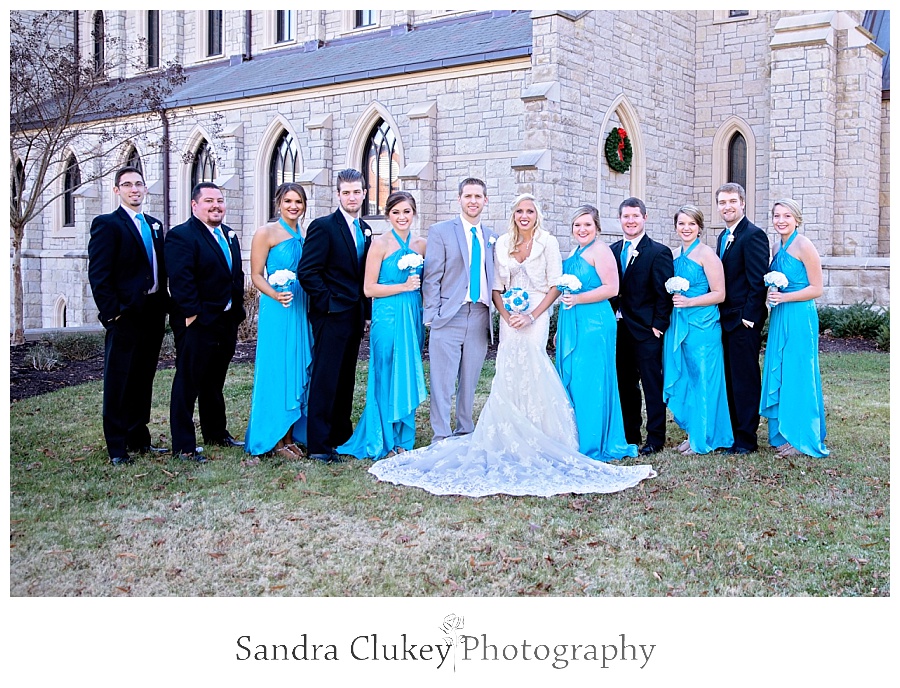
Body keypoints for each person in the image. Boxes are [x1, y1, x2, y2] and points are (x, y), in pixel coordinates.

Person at [369, 194, 656, 497]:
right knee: (509, 368)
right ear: (513, 214)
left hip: (537, 312)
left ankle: (545, 432)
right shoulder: (502, 242)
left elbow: (555, 284)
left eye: (530, 210)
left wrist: (532, 314)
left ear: (537, 214)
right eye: (519, 210)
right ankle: (507, 431)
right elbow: (495, 286)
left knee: (534, 365)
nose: (524, 215)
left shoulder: (549, 242)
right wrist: (506, 315)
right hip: (509, 315)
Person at [87, 166, 168, 465]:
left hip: (153, 314)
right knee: (119, 381)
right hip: (126, 315)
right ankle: (117, 448)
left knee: (142, 378)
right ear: (117, 190)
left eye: (139, 184)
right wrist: (112, 315)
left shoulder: (155, 225)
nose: (134, 189)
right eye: (127, 185)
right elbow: (99, 275)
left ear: (145, 189)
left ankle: (138, 438)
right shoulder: (107, 224)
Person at [337, 191, 427, 460]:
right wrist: (403, 286)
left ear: (414, 214)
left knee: (407, 369)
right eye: (396, 212)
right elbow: (368, 288)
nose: (402, 217)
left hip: (412, 314)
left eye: (407, 212)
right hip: (387, 316)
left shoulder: (422, 244)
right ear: (388, 215)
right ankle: (383, 437)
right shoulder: (379, 244)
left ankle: (403, 436)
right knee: (386, 370)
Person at [165, 182, 246, 460]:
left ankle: (216, 432)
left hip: (226, 321)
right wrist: (192, 314)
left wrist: (237, 312)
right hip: (198, 322)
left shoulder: (229, 235)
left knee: (214, 381)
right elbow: (180, 279)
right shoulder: (181, 236)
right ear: (194, 205)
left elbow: (235, 275)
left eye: (220, 201)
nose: (216, 206)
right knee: (188, 382)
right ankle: (184, 445)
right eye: (209, 201)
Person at [297, 169, 372, 463]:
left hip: (354, 315)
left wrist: (364, 313)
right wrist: (328, 302)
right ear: (338, 194)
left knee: (345, 378)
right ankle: (318, 445)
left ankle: (340, 435)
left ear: (364, 194)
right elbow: (308, 272)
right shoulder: (324, 226)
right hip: (330, 314)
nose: (352, 197)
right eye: (346, 192)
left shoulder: (364, 228)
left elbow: (361, 274)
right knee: (326, 379)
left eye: (357, 192)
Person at [555, 205, 637, 461]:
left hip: (595, 323)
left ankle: (594, 442)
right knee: (574, 382)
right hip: (573, 320)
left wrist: (578, 299)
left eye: (587, 225)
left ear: (597, 227)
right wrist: (561, 328)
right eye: (577, 225)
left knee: (589, 382)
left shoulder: (600, 250)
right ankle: (577, 436)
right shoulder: (576, 251)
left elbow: (612, 288)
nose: (582, 229)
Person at [422, 178, 495, 443]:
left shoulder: (491, 237)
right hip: (448, 315)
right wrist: (432, 315)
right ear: (459, 199)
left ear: (485, 200)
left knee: (470, 380)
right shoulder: (441, 231)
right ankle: (440, 435)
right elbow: (431, 277)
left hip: (479, 315)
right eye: (468, 196)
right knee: (442, 381)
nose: (473, 201)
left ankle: (465, 431)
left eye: (478, 196)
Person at [244, 183, 313, 459]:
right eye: (288, 201)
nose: (293, 206)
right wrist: (275, 294)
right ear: (278, 203)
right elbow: (256, 274)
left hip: (300, 307)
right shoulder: (266, 233)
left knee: (297, 368)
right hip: (278, 308)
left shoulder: (302, 234)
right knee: (278, 370)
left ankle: (292, 434)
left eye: (298, 201)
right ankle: (275, 438)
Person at [760, 199, 829, 458]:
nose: (781, 220)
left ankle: (802, 437)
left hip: (800, 315)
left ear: (797, 220)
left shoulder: (804, 245)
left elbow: (817, 288)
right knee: (780, 367)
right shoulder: (777, 245)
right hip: (780, 315)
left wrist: (785, 297)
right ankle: (782, 434)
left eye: (786, 216)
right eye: (777, 216)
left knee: (798, 371)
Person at [662, 205, 733, 455]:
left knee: (704, 379)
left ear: (700, 227)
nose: (686, 228)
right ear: (676, 227)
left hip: (702, 325)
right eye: (681, 223)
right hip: (679, 323)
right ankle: (693, 431)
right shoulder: (672, 254)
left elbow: (720, 294)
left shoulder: (707, 255)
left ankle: (703, 438)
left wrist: (690, 301)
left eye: (691, 224)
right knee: (688, 379)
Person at [610, 197, 674, 455]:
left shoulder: (658, 252)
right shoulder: (612, 250)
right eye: (626, 216)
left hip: (647, 330)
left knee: (651, 384)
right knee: (625, 384)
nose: (631, 221)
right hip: (618, 328)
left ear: (644, 218)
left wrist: (658, 325)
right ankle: (630, 434)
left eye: (635, 216)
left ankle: (656, 438)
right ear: (620, 219)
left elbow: (664, 293)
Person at [715, 182, 770, 454]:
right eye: (723, 202)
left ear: (743, 203)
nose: (727, 207)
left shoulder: (753, 235)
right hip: (723, 320)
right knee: (730, 378)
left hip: (742, 322)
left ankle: (747, 439)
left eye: (732, 201)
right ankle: (734, 432)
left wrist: (749, 317)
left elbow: (758, 282)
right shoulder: (722, 238)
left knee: (745, 379)